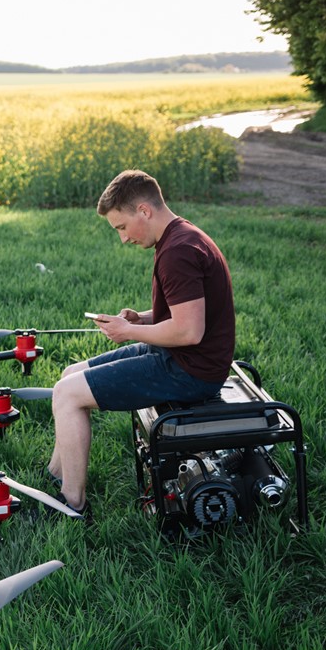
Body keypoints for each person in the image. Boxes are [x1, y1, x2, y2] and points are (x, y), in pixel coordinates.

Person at [47, 170, 236, 523]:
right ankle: (56, 476)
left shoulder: (177, 251)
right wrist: (142, 318)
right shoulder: (181, 235)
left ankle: (71, 504)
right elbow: (188, 312)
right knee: (69, 375)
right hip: (182, 357)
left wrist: (128, 332)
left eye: (121, 227)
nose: (122, 238)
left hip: (190, 370)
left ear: (144, 211)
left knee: (69, 394)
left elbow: (189, 332)